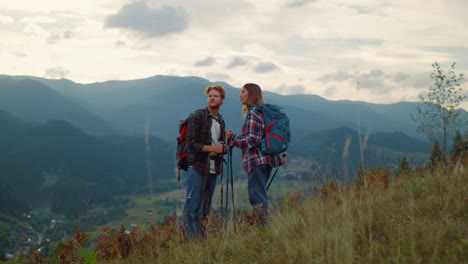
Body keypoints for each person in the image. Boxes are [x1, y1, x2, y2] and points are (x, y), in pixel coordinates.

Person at [225, 83, 286, 225]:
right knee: (261, 196)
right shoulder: (264, 113)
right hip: (268, 160)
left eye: (243, 92)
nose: (240, 95)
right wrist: (277, 158)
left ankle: (262, 231)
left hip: (256, 162)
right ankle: (262, 228)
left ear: (251, 94)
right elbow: (267, 137)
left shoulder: (253, 114)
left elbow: (252, 140)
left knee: (257, 198)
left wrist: (232, 137)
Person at [182, 85, 227, 239]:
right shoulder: (198, 116)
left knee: (205, 209)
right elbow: (191, 144)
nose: (212, 98)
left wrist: (223, 148)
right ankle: (191, 243)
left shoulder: (221, 120)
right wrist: (213, 148)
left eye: (215, 96)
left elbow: (219, 145)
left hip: (213, 169)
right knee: (192, 208)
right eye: (210, 96)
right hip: (198, 167)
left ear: (222, 100)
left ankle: (201, 241)